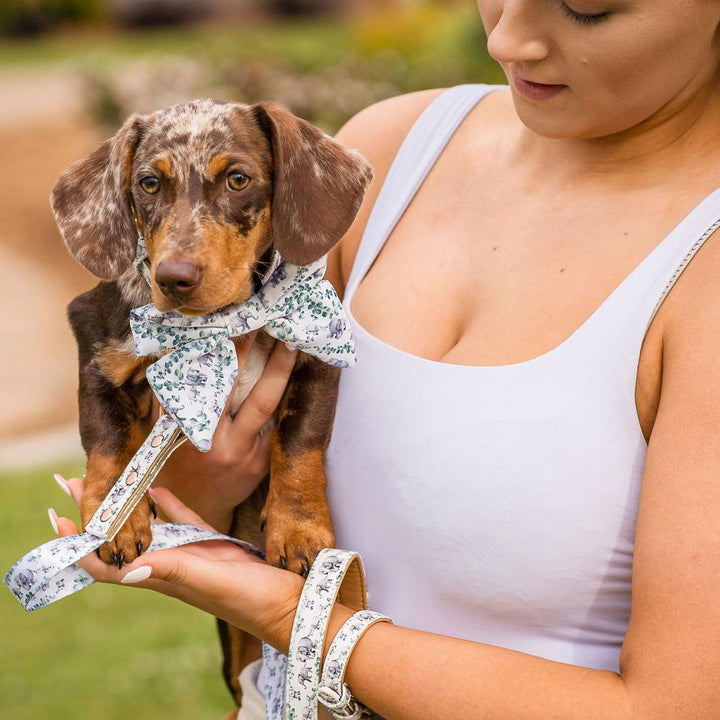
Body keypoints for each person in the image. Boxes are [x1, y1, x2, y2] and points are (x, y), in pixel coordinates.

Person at [51, 0, 720, 717]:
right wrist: (187, 487)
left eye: (587, 7)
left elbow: (672, 706)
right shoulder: (395, 146)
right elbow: (229, 466)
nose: (508, 37)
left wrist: (293, 622)